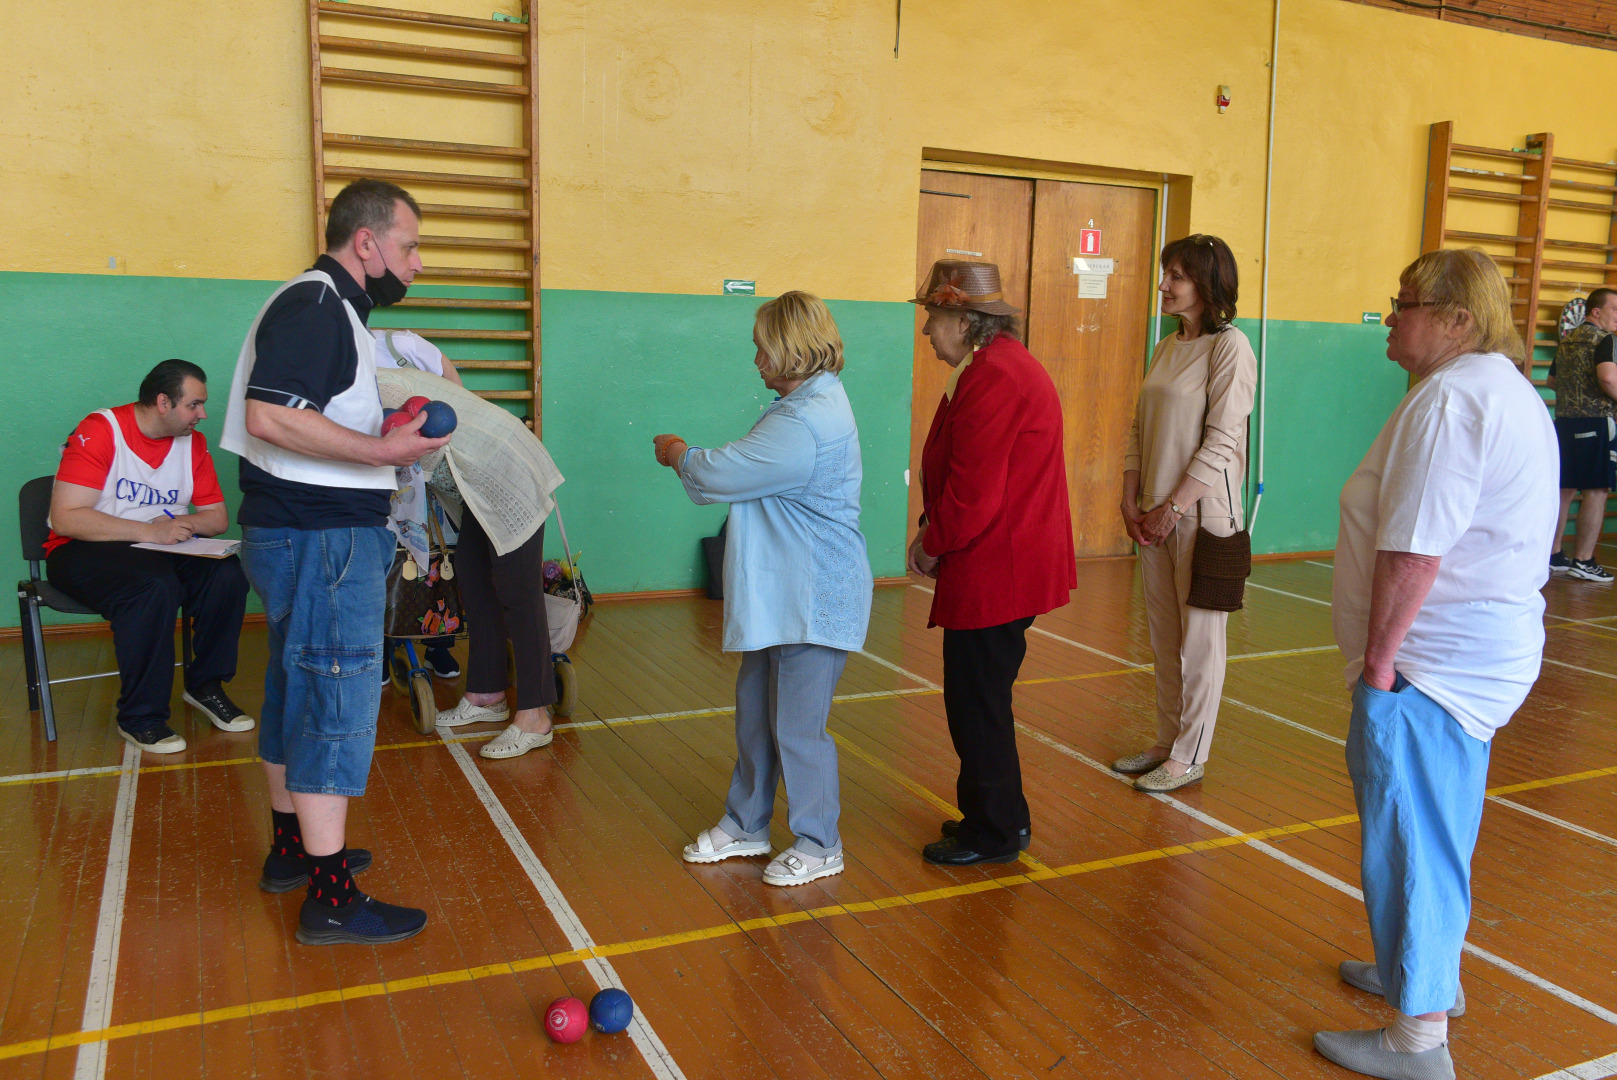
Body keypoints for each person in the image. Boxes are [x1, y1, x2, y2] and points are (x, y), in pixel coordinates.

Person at [1316, 249, 1556, 1079]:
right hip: (1471, 658)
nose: (1390, 316)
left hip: (1432, 663)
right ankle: (1412, 970)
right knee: (1435, 828)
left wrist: (1380, 668)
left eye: (1405, 303)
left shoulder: (1453, 399)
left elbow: (1412, 552)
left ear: (1457, 320)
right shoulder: (1493, 388)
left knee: (1413, 837)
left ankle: (1418, 1040)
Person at [222, 178, 448, 945]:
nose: (416, 263)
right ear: (367, 242)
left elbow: (308, 420)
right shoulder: (319, 303)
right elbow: (270, 414)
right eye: (409, 245)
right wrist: (384, 449)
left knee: (296, 690)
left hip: (302, 535)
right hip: (323, 542)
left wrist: (386, 427)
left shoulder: (331, 310)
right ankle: (330, 899)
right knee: (335, 702)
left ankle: (294, 853)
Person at [652, 290, 872, 887]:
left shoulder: (806, 419)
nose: (755, 361)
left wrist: (678, 454)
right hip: (785, 595)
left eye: (761, 349)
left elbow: (718, 471)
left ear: (789, 348)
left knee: (799, 728)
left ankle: (820, 841)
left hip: (813, 598)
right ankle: (747, 823)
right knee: (756, 714)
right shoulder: (804, 404)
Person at [905, 260, 1076, 866]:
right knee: (978, 698)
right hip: (1000, 560)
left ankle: (997, 831)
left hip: (1000, 566)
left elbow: (975, 494)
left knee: (976, 702)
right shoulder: (991, 368)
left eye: (933, 316)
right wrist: (934, 528)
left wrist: (929, 543)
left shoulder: (995, 375)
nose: (927, 330)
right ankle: (993, 815)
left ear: (962, 318)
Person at [45, 359, 253, 753]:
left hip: (157, 547)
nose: (203, 414)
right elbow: (66, 518)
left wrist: (177, 525)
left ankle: (205, 687)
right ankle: (141, 717)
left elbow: (217, 519)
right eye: (194, 405)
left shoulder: (193, 443)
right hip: (82, 549)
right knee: (152, 586)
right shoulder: (100, 430)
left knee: (227, 574)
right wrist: (148, 530)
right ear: (163, 402)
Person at [1115, 234, 1257, 794]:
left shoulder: (1232, 348)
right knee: (1163, 634)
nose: (1164, 284)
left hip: (1205, 516)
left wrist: (1173, 507)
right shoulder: (1168, 345)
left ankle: (1191, 751)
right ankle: (1166, 740)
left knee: (1201, 638)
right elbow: (1137, 427)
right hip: (1154, 514)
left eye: (1177, 274)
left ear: (1208, 284)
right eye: (1165, 272)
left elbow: (1222, 440)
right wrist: (1132, 497)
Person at [379, 366, 566, 760]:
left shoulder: (378, 385)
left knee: (518, 592)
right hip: (475, 489)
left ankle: (535, 716)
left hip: (507, 473)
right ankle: (486, 693)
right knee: (475, 579)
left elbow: (400, 433)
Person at [373, 328, 462, 680]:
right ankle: (382, 645)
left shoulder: (401, 344)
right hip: (379, 473)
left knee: (440, 555)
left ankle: (438, 645)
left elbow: (457, 395)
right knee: (384, 560)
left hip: (428, 467)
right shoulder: (332, 355)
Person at [1547, 287, 1616, 582]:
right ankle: (1584, 560)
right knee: (1597, 491)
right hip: (1597, 422)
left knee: (1564, 491)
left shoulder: (1567, 341)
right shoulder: (1606, 340)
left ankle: (1554, 553)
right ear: (1596, 312)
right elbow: (1607, 377)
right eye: (1615, 310)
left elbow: (1552, 380)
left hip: (1564, 422)